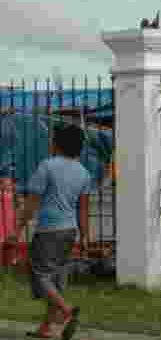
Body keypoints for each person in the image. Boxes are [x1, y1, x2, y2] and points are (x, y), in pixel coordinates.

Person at [5, 124, 92, 340]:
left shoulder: (47, 166)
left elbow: (32, 204)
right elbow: (83, 208)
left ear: (56, 144)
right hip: (70, 231)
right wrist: (85, 236)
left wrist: (16, 229)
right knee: (56, 277)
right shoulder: (84, 173)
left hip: (49, 231)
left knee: (39, 275)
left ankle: (66, 311)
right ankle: (46, 328)